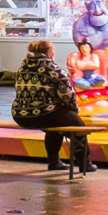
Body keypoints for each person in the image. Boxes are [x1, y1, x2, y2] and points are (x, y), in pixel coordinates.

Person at [12, 39, 95, 173]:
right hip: (42, 114)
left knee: (55, 123)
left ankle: (54, 161)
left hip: (20, 115)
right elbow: (68, 95)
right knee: (77, 124)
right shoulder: (53, 69)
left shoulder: (22, 68)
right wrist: (74, 111)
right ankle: (84, 163)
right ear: (50, 53)